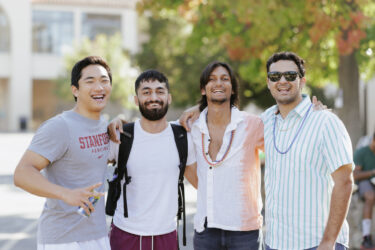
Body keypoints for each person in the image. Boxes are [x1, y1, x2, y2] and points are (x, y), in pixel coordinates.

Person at [13, 56, 113, 250]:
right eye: (90, 81)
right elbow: (22, 173)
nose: (99, 87)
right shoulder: (60, 127)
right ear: (75, 90)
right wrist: (65, 194)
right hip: (63, 240)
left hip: (98, 235)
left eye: (104, 81)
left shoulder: (105, 126)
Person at [262, 51, 353, 250]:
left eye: (291, 75)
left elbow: (345, 182)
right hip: (274, 243)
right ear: (269, 83)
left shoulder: (325, 122)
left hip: (317, 243)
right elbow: (228, 121)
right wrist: (196, 110)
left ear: (302, 81)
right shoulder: (265, 120)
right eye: (275, 76)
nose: (282, 81)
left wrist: (328, 242)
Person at [108, 69, 197, 250]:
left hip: (166, 235)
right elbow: (86, 165)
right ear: (136, 99)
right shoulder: (121, 136)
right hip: (125, 234)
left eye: (160, 91)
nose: (153, 97)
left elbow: (200, 183)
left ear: (169, 98)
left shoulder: (183, 137)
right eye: (146, 92)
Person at [353, 132, 375, 249]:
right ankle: (366, 237)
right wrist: (372, 172)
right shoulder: (362, 153)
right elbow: (355, 175)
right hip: (364, 182)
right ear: (373, 141)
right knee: (370, 196)